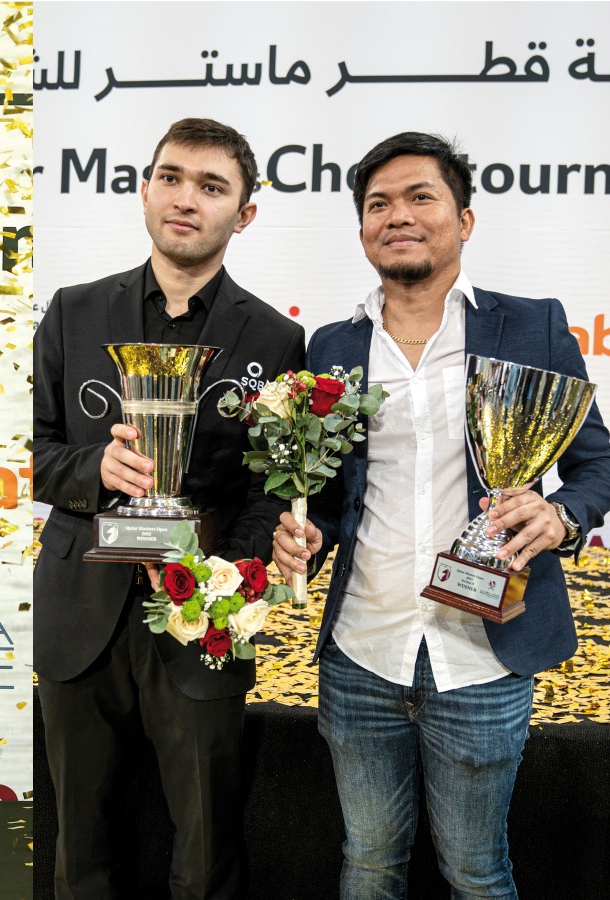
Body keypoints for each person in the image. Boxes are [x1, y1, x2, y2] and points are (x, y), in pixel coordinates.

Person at [272, 131, 610, 898]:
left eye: (421, 196)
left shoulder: (532, 326)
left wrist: (561, 517)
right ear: (362, 229)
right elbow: (327, 494)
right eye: (378, 203)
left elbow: (599, 463)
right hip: (362, 652)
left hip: (484, 656)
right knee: (367, 862)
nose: (399, 215)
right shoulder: (330, 345)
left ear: (464, 220)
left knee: (477, 870)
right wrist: (307, 535)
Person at [34, 118, 305, 899]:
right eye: (171, 177)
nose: (186, 199)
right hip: (80, 613)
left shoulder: (276, 339)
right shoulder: (74, 310)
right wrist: (97, 467)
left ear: (243, 213)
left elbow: (271, 490)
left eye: (212, 187)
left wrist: (223, 577)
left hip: (203, 622)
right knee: (79, 851)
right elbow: (32, 450)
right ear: (146, 189)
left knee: (205, 850)